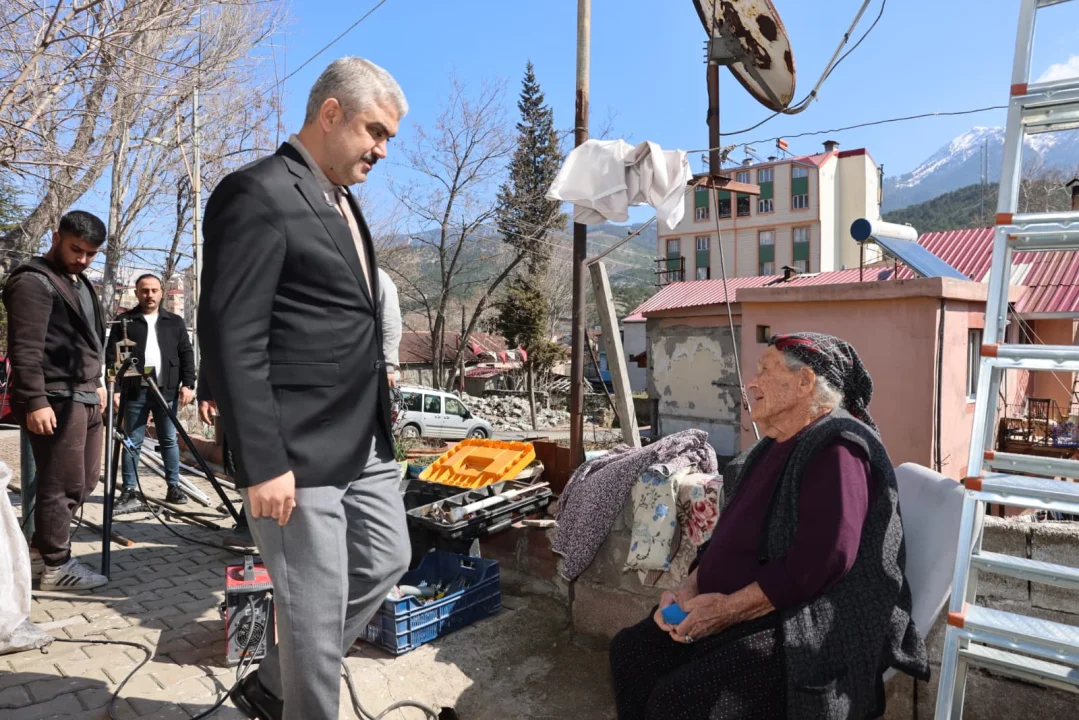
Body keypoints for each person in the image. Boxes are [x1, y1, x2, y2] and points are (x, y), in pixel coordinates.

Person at [199, 56, 410, 720]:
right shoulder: (257, 192)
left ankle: (271, 684)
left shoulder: (342, 199)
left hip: (362, 438)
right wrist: (262, 463)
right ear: (329, 114)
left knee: (386, 559)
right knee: (314, 621)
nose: (380, 150)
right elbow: (232, 334)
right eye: (374, 132)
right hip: (294, 453)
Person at [609, 332, 929, 720]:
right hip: (737, 606)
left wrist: (727, 610)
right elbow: (726, 539)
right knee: (632, 652)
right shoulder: (768, 449)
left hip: (803, 623)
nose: (752, 382)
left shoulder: (838, 447)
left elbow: (825, 558)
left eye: (765, 370)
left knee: (679, 702)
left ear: (805, 382)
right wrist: (688, 587)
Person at [2, 210, 109, 591]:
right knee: (60, 483)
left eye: (91, 253)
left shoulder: (78, 282)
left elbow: (89, 339)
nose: (82, 258)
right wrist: (34, 400)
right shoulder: (33, 282)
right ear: (55, 236)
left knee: (85, 480)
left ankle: (36, 554)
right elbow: (25, 349)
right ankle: (56, 566)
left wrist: (97, 381)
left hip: (83, 394)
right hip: (55, 397)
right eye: (75, 248)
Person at [105, 274, 196, 511]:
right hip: (134, 390)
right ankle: (129, 491)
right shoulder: (124, 321)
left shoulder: (174, 322)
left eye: (154, 290)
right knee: (131, 441)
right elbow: (111, 357)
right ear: (137, 293)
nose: (150, 295)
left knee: (168, 440)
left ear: (162, 292)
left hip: (167, 390)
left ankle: (173, 487)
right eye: (144, 290)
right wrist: (113, 388)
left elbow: (186, 354)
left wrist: (189, 384)